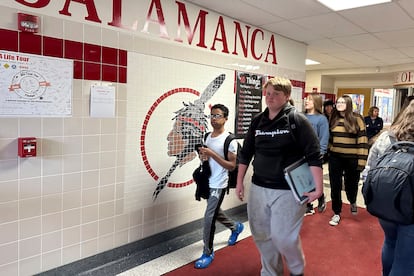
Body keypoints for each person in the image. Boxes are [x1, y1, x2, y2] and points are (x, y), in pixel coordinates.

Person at [235, 77, 323, 276]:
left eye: (276, 93)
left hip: (288, 190)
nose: (270, 97)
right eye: (268, 93)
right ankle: (271, 271)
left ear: (287, 96)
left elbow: (313, 154)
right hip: (259, 187)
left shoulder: (297, 120)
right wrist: (239, 181)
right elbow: (246, 153)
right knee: (261, 234)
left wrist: (318, 188)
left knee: (284, 237)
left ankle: (296, 269)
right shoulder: (257, 121)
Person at [365, 99, 414, 275]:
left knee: (391, 242)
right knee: (407, 260)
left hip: (386, 202)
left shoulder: (388, 136)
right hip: (410, 209)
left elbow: (369, 168)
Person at [194, 103, 244, 269]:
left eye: (217, 116)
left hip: (219, 183)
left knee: (209, 217)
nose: (213, 119)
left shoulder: (230, 140)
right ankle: (236, 227)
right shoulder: (208, 136)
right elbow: (207, 159)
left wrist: (212, 154)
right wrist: (203, 157)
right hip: (208, 181)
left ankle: (207, 252)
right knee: (214, 211)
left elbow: (231, 166)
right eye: (212, 116)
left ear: (225, 118)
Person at [328, 95, 368, 226]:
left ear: (349, 104)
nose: (339, 104)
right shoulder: (333, 117)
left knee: (351, 184)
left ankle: (352, 200)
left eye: (342, 102)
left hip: (352, 158)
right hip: (335, 157)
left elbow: (362, 141)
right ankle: (336, 212)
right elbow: (330, 139)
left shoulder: (357, 118)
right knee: (335, 185)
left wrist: (362, 161)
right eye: (338, 102)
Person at [304, 93, 329, 216]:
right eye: (306, 99)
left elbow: (324, 137)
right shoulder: (301, 116)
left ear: (316, 103)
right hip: (301, 153)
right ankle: (308, 205)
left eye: (309, 100)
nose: (306, 101)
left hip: (315, 153)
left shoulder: (321, 119)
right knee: (305, 179)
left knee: (314, 179)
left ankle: (320, 196)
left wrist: (321, 153)